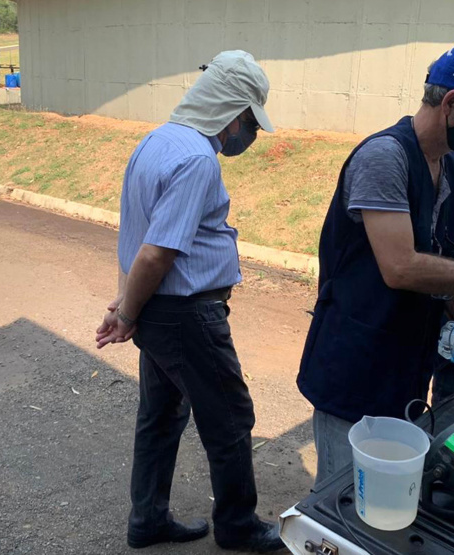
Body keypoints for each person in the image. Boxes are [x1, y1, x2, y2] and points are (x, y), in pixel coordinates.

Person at [297, 38, 454, 489]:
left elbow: (444, 251)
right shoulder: (384, 158)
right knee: (338, 498)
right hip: (356, 359)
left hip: (405, 362)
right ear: (452, 101)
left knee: (388, 486)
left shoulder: (450, 165)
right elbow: (402, 267)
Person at [94, 50, 285, 552]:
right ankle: (238, 526)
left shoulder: (154, 140)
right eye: (251, 123)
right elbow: (155, 253)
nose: (251, 135)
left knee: (161, 413)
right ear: (233, 113)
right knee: (230, 416)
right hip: (184, 314)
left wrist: (126, 305)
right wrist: (127, 313)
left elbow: (133, 236)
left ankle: (147, 519)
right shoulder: (198, 158)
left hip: (158, 311)